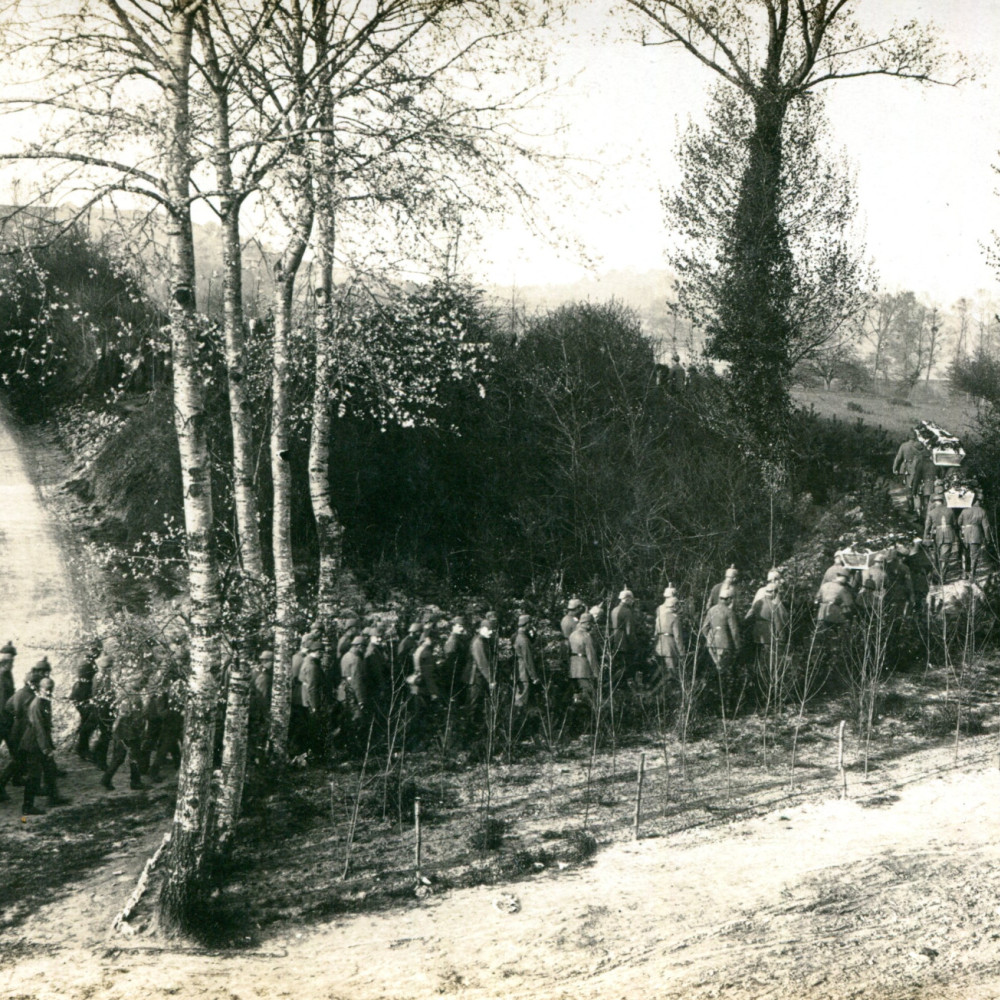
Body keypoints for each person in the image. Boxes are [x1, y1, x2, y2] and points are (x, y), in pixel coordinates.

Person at [20, 676, 68, 814]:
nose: (49, 692)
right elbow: (39, 728)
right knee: (34, 775)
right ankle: (27, 806)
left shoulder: (45, 702)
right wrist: (46, 749)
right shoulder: (37, 704)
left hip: (41, 742)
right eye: (47, 689)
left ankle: (53, 798)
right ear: (41, 689)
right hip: (33, 744)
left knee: (50, 770)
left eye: (51, 689)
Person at [101, 684, 146, 792]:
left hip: (120, 731)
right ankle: (135, 782)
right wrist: (140, 730)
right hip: (130, 733)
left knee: (119, 757)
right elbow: (136, 718)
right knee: (134, 756)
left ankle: (106, 779)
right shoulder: (136, 698)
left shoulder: (123, 695)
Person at [701, 589, 740, 700]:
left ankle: (714, 698)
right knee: (725, 673)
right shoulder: (729, 612)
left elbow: (704, 628)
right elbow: (735, 632)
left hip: (712, 645)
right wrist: (737, 646)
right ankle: (724, 699)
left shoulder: (711, 610)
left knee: (715, 671)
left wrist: (710, 638)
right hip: (725, 645)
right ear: (728, 600)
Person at [653, 590, 684, 690]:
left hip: (659, 644)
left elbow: (655, 633)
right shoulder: (675, 618)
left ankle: (655, 687)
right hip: (669, 645)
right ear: (675, 606)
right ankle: (671, 691)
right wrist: (682, 651)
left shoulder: (659, 617)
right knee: (671, 670)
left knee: (661, 668)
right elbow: (678, 637)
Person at [568, 612, 599, 709]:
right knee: (588, 695)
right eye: (591, 624)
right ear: (588, 624)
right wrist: (596, 673)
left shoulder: (572, 635)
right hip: (584, 669)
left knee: (576, 695)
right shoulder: (586, 636)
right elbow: (591, 656)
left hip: (572, 668)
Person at [924, 495, 957, 581]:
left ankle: (936, 576)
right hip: (948, 534)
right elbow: (955, 524)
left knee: (936, 556)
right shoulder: (950, 511)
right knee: (945, 557)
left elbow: (927, 526)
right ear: (942, 501)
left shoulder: (931, 512)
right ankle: (942, 577)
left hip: (936, 536)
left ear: (935, 502)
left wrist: (925, 537)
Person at [958, 496, 991, 579]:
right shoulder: (982, 511)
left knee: (966, 554)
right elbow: (986, 526)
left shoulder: (965, 510)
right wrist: (988, 538)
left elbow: (959, 522)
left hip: (966, 534)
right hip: (976, 534)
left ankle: (965, 573)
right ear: (978, 501)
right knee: (974, 555)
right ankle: (972, 574)